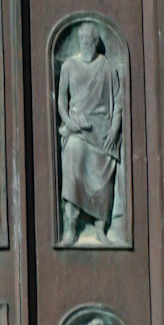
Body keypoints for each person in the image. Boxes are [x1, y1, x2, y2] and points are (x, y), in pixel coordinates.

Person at [58, 22, 124, 242]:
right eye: (82, 40)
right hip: (78, 130)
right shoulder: (69, 65)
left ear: (96, 42)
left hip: (102, 132)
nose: (85, 43)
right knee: (72, 157)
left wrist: (114, 131)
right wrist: (68, 120)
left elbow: (118, 103)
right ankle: (71, 225)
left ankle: (100, 228)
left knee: (106, 167)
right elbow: (61, 100)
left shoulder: (106, 67)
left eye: (89, 40)